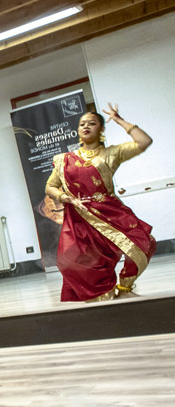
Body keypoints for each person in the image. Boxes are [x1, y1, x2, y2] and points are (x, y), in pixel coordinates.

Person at [45, 105, 155, 302]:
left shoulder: (112, 154)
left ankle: (125, 286)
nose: (86, 126)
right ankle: (104, 295)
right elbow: (50, 186)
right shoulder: (64, 160)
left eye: (92, 123)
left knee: (144, 243)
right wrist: (64, 198)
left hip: (109, 212)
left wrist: (120, 120)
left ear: (101, 129)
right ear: (78, 130)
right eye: (82, 124)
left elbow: (144, 141)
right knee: (76, 261)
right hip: (80, 217)